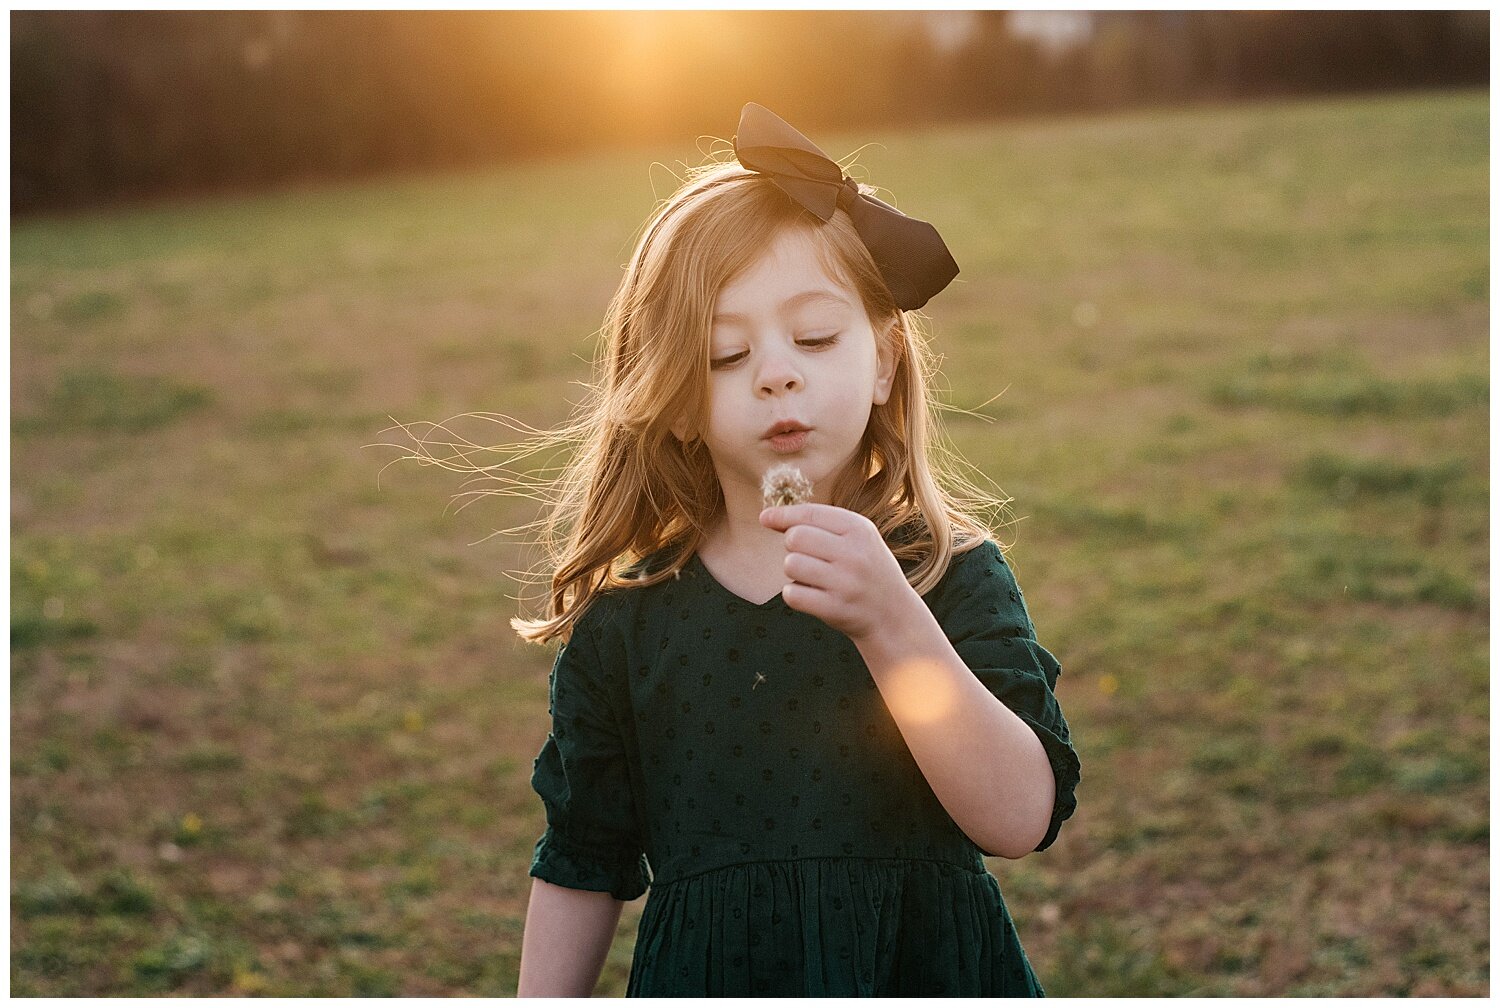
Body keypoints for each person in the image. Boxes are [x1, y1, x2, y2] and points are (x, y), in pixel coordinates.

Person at [510, 103, 1081, 996]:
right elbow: (582, 858)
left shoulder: (946, 574)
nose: (777, 370)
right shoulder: (628, 625)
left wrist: (893, 625)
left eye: (814, 338)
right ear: (677, 399)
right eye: (726, 353)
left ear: (885, 361)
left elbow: (1018, 816)